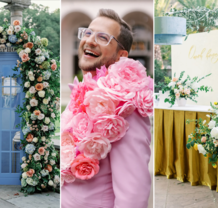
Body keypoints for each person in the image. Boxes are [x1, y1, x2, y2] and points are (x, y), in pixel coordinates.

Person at [61, 9, 151, 208]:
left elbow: (133, 197)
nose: (90, 40)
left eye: (103, 37)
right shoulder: (80, 93)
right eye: (88, 33)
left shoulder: (124, 109)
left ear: (121, 56)